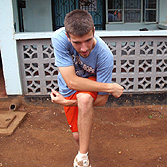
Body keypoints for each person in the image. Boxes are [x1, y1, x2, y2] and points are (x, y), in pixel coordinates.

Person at [50, 9, 124, 167]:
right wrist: (110, 87)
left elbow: (102, 100)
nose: (84, 48)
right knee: (77, 136)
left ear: (94, 31)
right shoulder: (58, 38)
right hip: (68, 87)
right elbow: (71, 82)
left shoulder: (105, 56)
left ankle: (83, 159)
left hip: (89, 83)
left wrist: (67, 103)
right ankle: (82, 153)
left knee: (84, 99)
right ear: (68, 36)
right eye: (77, 42)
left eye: (88, 40)